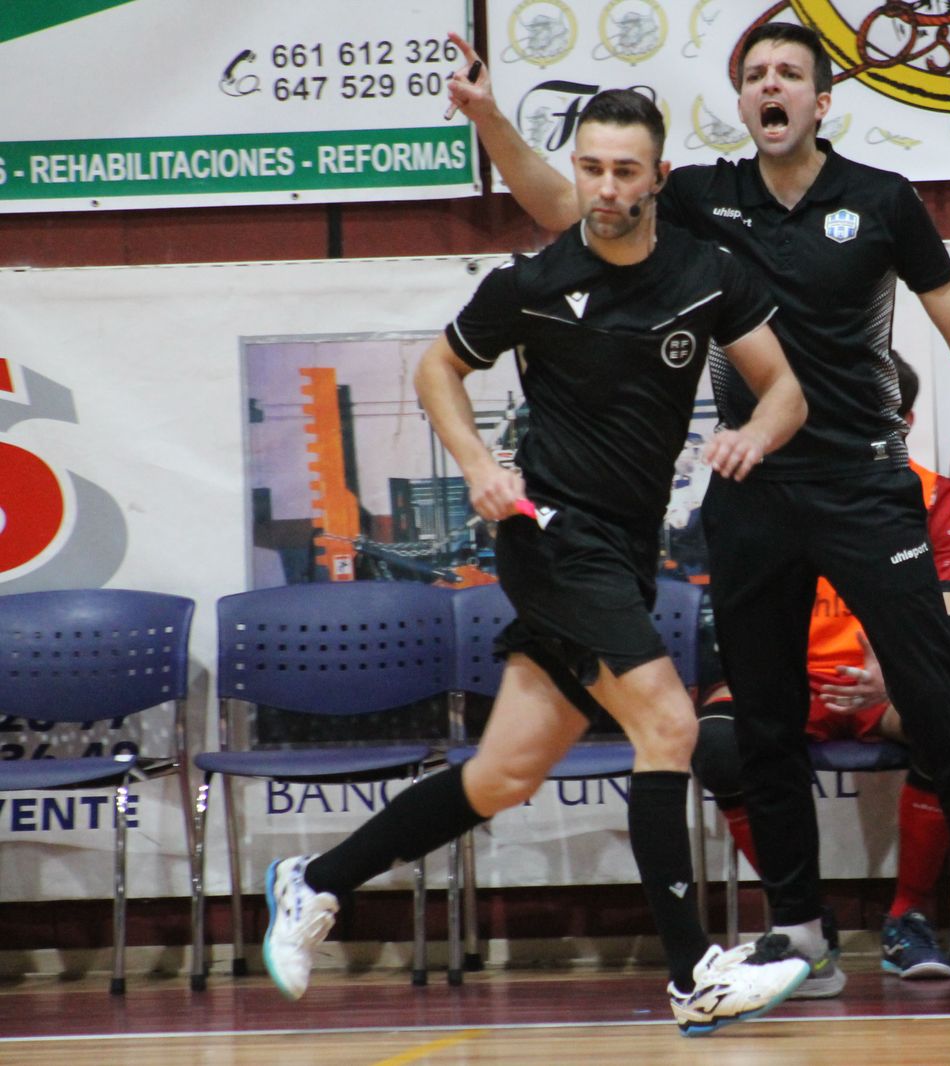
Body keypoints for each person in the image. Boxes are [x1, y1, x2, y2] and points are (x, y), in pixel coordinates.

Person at [444, 21, 950, 1000]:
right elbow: (564, 205)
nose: (771, 86)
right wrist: (488, 118)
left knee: (940, 707)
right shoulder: (699, 197)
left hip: (866, 484)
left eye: (790, 74)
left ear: (821, 102)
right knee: (765, 723)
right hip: (751, 494)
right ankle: (801, 935)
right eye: (754, 76)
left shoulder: (879, 201)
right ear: (741, 104)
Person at [259, 89, 814, 1036]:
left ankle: (315, 880)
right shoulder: (534, 281)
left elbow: (787, 389)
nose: (604, 187)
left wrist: (755, 435)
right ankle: (695, 979)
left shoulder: (706, 275)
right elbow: (438, 367)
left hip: (623, 552)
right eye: (590, 167)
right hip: (552, 536)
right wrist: (478, 465)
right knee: (670, 728)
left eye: (624, 170)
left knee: (505, 775)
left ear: (657, 179)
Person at [693, 353, 950, 981]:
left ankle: (908, 919)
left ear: (901, 422)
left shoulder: (936, 496)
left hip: (883, 687)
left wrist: (900, 673)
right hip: (790, 682)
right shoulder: (753, 491)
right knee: (717, 745)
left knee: (948, 716)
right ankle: (805, 924)